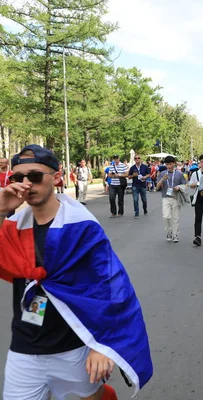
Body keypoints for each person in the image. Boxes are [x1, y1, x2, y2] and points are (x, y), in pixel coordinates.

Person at [0, 144, 153, 400]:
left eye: (35, 176)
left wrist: (102, 346)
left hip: (73, 347)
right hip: (24, 349)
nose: (26, 184)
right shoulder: (13, 226)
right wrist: (2, 209)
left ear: (57, 177)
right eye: (18, 177)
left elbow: (111, 287)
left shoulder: (80, 226)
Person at [156, 155, 187, 243]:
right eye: (167, 164)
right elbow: (157, 187)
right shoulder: (162, 174)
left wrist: (179, 187)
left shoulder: (179, 174)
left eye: (170, 164)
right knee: (166, 216)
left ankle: (175, 234)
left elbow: (185, 185)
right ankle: (169, 231)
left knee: (175, 217)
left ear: (174, 163)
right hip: (165, 197)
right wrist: (162, 179)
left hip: (176, 197)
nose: (169, 166)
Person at [189, 154, 203, 247]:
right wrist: (197, 183)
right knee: (198, 217)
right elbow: (190, 185)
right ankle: (197, 236)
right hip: (198, 197)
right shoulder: (195, 173)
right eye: (201, 162)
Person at [129, 155, 150, 219]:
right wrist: (133, 175)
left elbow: (149, 174)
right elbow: (129, 177)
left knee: (144, 200)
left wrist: (145, 177)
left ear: (140, 159)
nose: (137, 159)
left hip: (142, 185)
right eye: (136, 158)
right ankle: (136, 213)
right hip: (135, 185)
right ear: (134, 160)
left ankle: (145, 209)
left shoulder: (145, 167)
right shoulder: (132, 168)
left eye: (138, 158)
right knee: (135, 200)